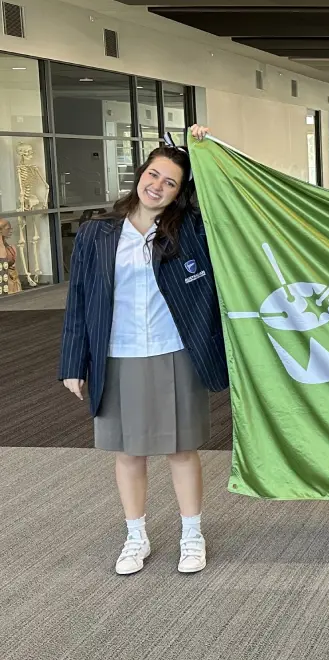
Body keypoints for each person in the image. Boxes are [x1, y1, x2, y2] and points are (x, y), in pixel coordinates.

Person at [59, 125, 229, 575]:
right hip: (118, 353)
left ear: (179, 192)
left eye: (170, 182)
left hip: (176, 350)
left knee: (180, 448)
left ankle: (192, 534)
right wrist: (73, 363)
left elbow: (222, 201)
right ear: (141, 173)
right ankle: (136, 537)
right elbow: (80, 299)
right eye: (153, 174)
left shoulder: (190, 229)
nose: (157, 186)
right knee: (129, 452)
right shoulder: (98, 232)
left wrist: (203, 149)